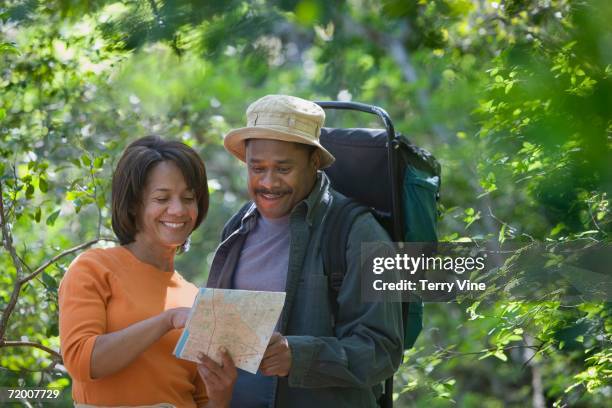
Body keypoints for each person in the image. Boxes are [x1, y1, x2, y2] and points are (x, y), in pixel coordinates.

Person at [207, 95, 404, 407]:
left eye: (283, 168)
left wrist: (298, 356)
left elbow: (382, 350)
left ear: (314, 161)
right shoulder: (238, 227)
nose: (268, 182)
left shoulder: (358, 232)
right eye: (257, 168)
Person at [59, 136, 237, 408]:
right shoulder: (93, 268)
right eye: (162, 198)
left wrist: (221, 394)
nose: (178, 210)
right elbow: (82, 362)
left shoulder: (193, 297)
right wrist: (167, 320)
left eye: (188, 198)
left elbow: (201, 400)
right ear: (133, 204)